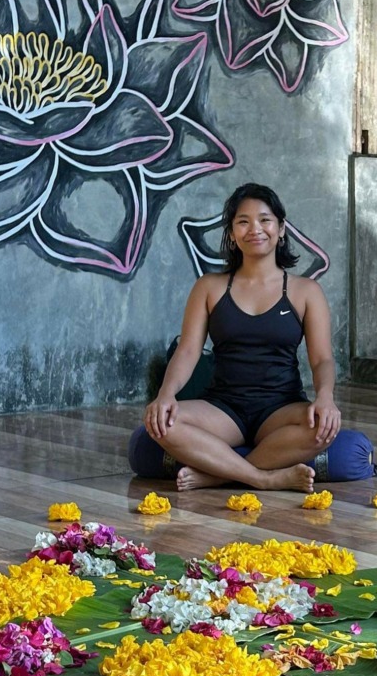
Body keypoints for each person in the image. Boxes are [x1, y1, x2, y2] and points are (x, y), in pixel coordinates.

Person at [141, 182, 340, 492]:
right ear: (232, 234)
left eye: (265, 220)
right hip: (223, 408)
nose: (255, 229)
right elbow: (188, 351)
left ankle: (217, 475)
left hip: (281, 407)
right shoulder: (209, 287)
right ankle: (262, 478)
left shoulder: (306, 291)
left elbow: (322, 359)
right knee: (162, 423)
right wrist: (166, 394)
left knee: (322, 428)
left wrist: (325, 398)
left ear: (281, 228)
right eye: (243, 221)